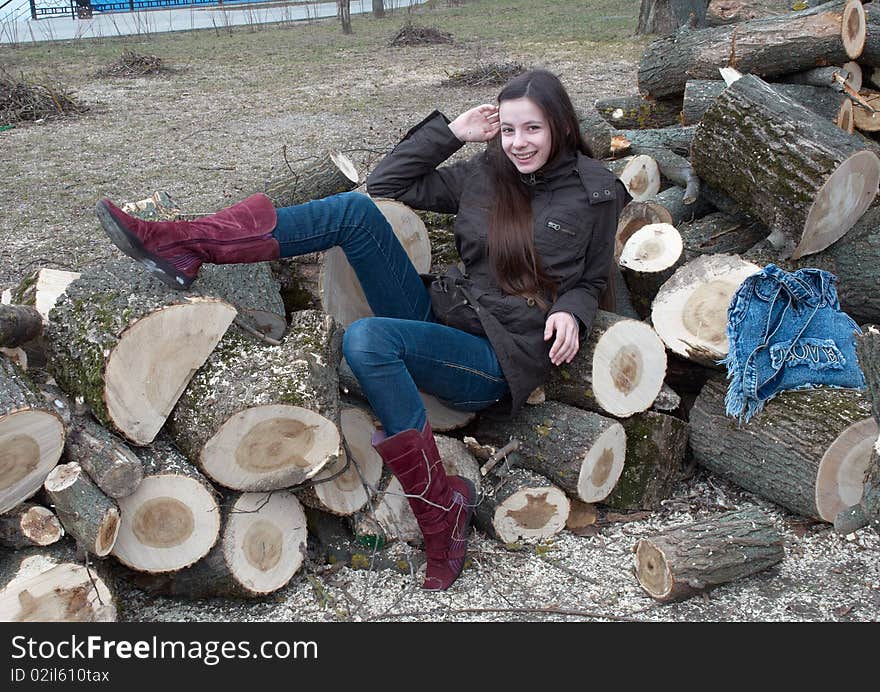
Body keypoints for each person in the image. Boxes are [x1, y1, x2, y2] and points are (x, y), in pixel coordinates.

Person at [95, 69, 629, 591]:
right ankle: (186, 242)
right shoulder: (486, 172)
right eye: (508, 129)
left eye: (531, 128)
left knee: (369, 339)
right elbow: (387, 185)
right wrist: (451, 134)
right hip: (445, 315)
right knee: (353, 210)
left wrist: (573, 311)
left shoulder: (595, 189)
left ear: (558, 123)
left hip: (497, 354)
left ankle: (439, 513)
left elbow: (593, 276)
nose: (517, 143)